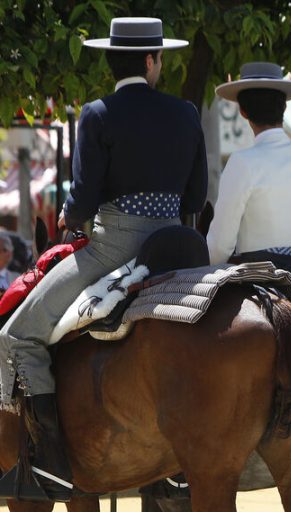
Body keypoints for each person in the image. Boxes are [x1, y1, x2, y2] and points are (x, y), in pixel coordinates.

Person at [0, 17, 206, 501]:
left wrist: (72, 219)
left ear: (114, 61)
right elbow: (197, 195)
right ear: (153, 60)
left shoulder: (97, 112)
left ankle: (49, 459)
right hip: (177, 245)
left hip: (112, 247)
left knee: (15, 336)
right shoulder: (187, 114)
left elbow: (84, 202)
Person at [207, 62, 291, 267]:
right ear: (284, 107)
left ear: (243, 111)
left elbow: (220, 245)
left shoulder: (242, 163)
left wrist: (200, 268)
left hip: (255, 278)